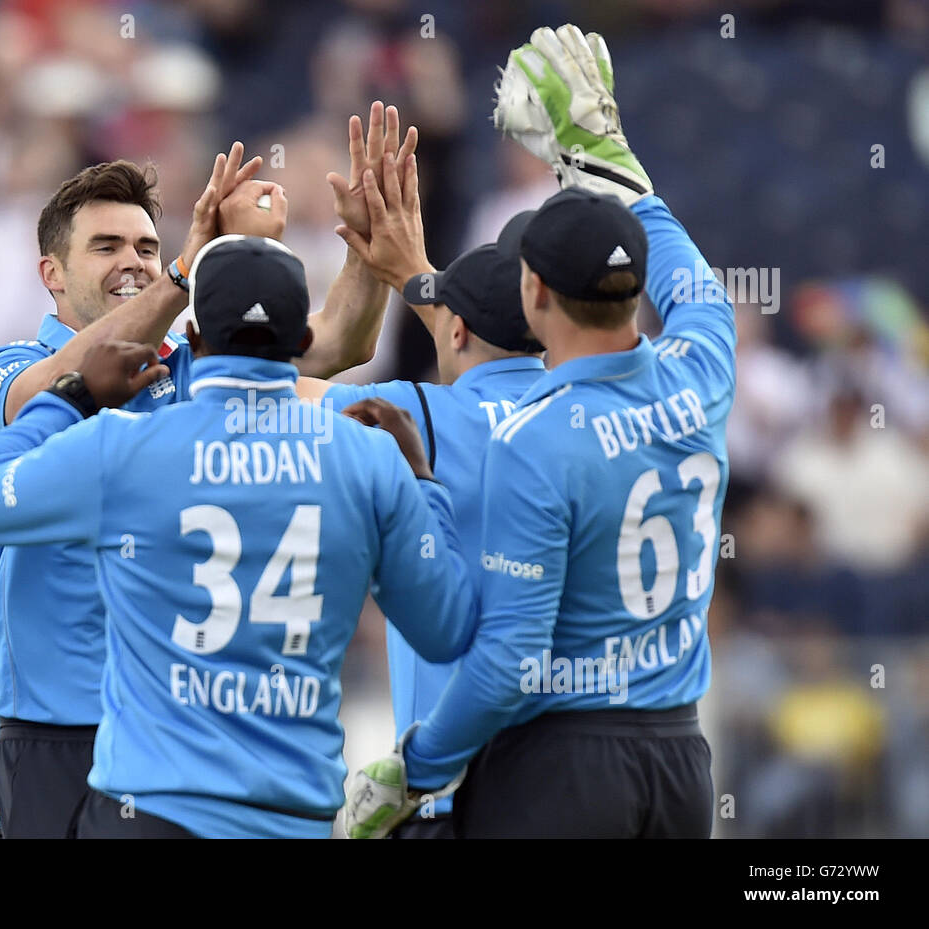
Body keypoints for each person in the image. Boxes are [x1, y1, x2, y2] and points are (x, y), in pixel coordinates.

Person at [0, 104, 418, 837]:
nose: (133, 261)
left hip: (171, 737)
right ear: (51, 273)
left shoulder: (187, 358)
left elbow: (337, 341)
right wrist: (180, 272)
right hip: (56, 732)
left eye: (146, 244)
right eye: (106, 246)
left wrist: (367, 246)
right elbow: (48, 394)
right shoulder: (6, 368)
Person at [347, 25, 731, 839]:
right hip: (681, 760)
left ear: (534, 292)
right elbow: (683, 275)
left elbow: (510, 663)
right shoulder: (705, 367)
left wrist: (414, 768)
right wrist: (612, 158)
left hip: (561, 769)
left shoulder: (538, 437)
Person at [297, 153, 546, 838]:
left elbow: (267, 387)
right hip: (570, 779)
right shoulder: (583, 415)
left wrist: (366, 263)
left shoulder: (415, 415)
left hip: (449, 789)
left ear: (458, 330)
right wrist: (404, 274)